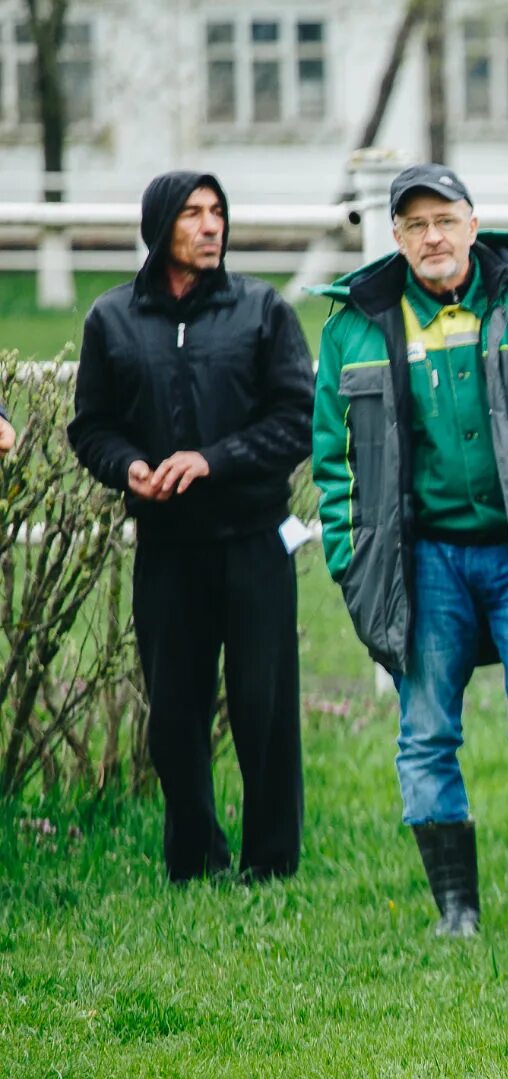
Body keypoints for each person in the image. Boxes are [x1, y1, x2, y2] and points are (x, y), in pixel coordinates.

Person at [309, 165, 508, 939]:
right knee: (425, 730)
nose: (433, 237)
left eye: (445, 219)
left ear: (474, 224)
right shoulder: (356, 325)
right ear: (398, 238)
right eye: (415, 225)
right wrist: (351, 560)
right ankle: (457, 912)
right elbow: (332, 460)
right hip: (426, 562)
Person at [67, 171, 313, 883]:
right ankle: (193, 858)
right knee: (174, 714)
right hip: (167, 550)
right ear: (159, 227)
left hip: (254, 541)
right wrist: (129, 467)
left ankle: (270, 862)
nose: (211, 226)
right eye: (193, 214)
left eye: (218, 213)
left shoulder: (263, 310)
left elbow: (296, 420)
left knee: (263, 708)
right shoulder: (111, 320)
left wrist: (212, 460)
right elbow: (91, 427)